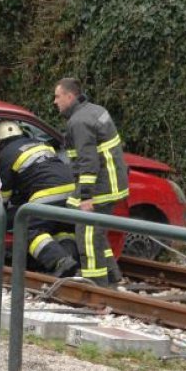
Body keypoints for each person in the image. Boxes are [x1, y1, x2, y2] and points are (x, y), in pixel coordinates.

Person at [53, 77, 129, 287]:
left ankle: (96, 287)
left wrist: (86, 197)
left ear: (70, 96)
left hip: (100, 188)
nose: (55, 101)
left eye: (58, 96)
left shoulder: (79, 122)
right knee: (98, 233)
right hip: (112, 183)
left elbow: (87, 161)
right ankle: (113, 276)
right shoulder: (95, 110)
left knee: (86, 235)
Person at [0, 120, 78, 277]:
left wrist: (1, 212)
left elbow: (4, 193)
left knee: (28, 229)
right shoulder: (40, 144)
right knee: (62, 229)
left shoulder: (5, 155)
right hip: (72, 190)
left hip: (48, 192)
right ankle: (70, 262)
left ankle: (60, 261)